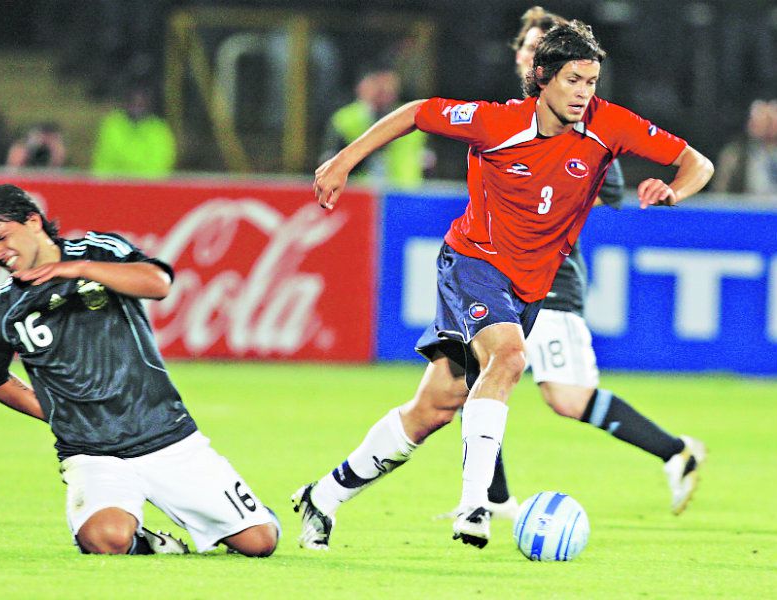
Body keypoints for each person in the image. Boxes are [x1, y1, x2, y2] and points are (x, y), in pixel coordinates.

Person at [294, 20, 713, 551]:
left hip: (529, 287)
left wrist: (674, 191)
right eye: (573, 81)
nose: (585, 93)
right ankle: (477, 503)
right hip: (472, 264)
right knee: (510, 358)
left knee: (435, 408)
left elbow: (698, 163)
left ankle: (324, 496)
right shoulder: (496, 124)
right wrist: (342, 161)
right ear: (541, 78)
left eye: (591, 81)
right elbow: (414, 113)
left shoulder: (610, 125)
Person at [437, 5, 708, 523]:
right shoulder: (508, 120)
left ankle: (675, 450)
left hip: (549, 278)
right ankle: (491, 500)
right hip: (492, 271)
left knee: (563, 394)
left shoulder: (583, 125)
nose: (528, 56)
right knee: (474, 379)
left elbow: (613, 186)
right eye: (526, 46)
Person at [0, 184, 278, 556]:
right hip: (90, 451)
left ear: (33, 222)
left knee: (259, 543)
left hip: (165, 434)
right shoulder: (3, 309)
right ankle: (148, 543)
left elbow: (158, 283)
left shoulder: (99, 251)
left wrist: (77, 270)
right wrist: (51, 412)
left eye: (3, 237)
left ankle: (250, 516)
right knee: (106, 538)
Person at [321, 66, 430, 188]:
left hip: (405, 193)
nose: (385, 90)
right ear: (361, 87)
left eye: (390, 85)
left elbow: (428, 159)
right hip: (361, 192)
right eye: (378, 84)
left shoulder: (412, 115)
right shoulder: (345, 119)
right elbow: (330, 160)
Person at [91, 86, 177, 179]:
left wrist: (138, 182)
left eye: (141, 104)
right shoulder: (112, 124)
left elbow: (161, 164)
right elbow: (104, 161)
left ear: (149, 104)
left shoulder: (159, 129)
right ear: (125, 102)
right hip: (113, 186)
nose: (136, 107)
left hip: (147, 188)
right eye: (132, 102)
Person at [712, 98, 777, 195]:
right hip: (745, 207)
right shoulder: (734, 155)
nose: (763, 125)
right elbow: (720, 192)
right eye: (757, 120)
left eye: (769, 121)